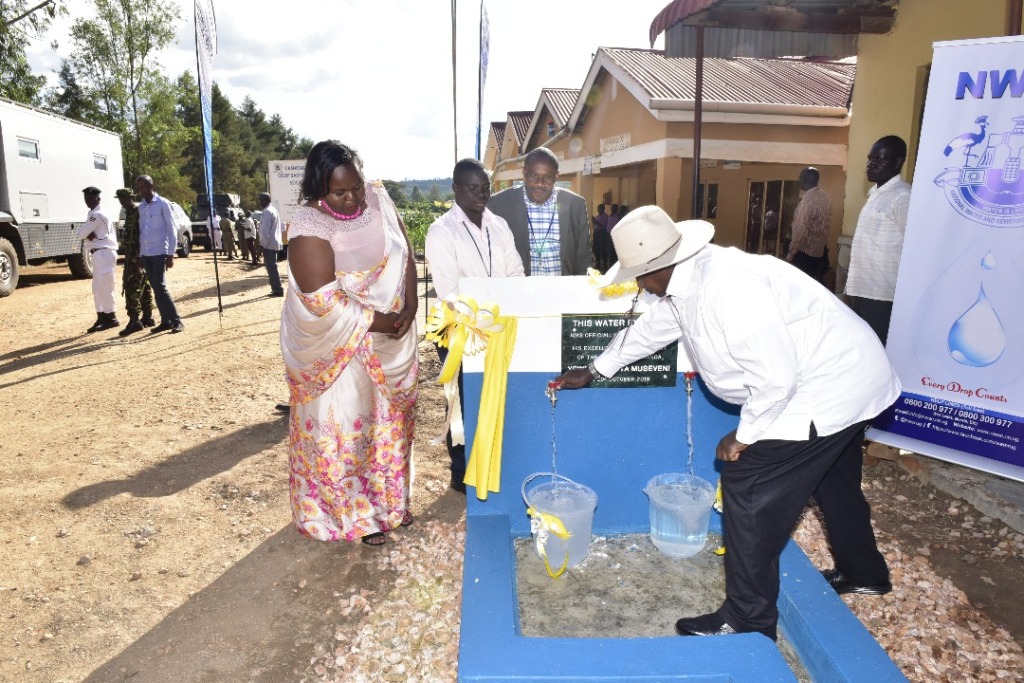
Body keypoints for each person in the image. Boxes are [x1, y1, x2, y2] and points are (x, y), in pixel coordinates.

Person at [555, 205, 899, 641]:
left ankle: (748, 619)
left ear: (658, 267)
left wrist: (744, 435)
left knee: (747, 482)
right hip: (849, 377)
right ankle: (864, 572)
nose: (639, 285)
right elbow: (651, 330)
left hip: (827, 385)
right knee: (832, 476)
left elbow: (776, 378)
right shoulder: (688, 280)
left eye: (639, 276)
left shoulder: (730, 288)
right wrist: (595, 369)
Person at [280, 140, 418, 546]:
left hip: (389, 339)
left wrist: (410, 305)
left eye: (356, 186)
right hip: (341, 350)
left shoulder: (377, 198)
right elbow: (322, 301)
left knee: (388, 428)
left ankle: (391, 504)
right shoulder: (309, 226)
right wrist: (383, 321)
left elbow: (404, 253)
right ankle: (359, 517)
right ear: (318, 188)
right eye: (339, 192)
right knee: (349, 433)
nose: (353, 198)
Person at [425, 158, 525, 493]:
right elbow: (449, 290)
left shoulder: (499, 225)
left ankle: (492, 464)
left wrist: (504, 308)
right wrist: (490, 312)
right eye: (473, 188)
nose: (481, 194)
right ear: (455, 188)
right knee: (462, 401)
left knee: (494, 395)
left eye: (485, 188)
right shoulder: (442, 231)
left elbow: (516, 272)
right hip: (459, 329)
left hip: (499, 325)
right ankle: (461, 471)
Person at [845, 135, 911, 345]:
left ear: (898, 162)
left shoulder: (902, 196)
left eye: (879, 160)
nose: (870, 164)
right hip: (861, 290)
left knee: (878, 353)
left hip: (882, 295)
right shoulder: (876, 195)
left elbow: (913, 248)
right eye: (870, 158)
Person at [487, 147, 590, 276]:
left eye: (547, 177)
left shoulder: (575, 204)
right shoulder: (498, 205)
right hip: (519, 288)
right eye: (533, 176)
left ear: (556, 176)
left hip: (562, 288)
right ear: (524, 173)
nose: (540, 184)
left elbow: (583, 259)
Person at [136, 174, 184, 334]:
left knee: (160, 286)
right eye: (140, 187)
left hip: (159, 252)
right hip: (146, 253)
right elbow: (142, 232)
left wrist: (170, 254)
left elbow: (172, 229)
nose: (142, 190)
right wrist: (140, 255)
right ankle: (165, 321)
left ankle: (176, 321)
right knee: (155, 287)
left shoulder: (163, 204)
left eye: (144, 186)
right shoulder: (141, 207)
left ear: (151, 186)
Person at [78, 187, 119, 333]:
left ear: (98, 198)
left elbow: (81, 233)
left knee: (105, 287)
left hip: (104, 253)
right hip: (98, 253)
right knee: (97, 288)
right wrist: (87, 234)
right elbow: (84, 234)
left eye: (90, 199)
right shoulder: (92, 214)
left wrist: (87, 234)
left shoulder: (98, 214)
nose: (88, 201)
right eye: (86, 199)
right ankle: (102, 317)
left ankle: (111, 317)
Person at [115, 188, 155, 336]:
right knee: (144, 285)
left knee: (132, 287)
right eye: (121, 200)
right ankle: (147, 317)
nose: (123, 202)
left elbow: (145, 236)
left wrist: (139, 259)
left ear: (131, 198)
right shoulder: (130, 212)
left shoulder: (139, 212)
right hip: (133, 255)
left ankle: (134, 321)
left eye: (126, 199)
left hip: (137, 256)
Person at [786, 167, 832, 283]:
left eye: (800, 178)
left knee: (799, 286)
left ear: (806, 179)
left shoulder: (807, 201)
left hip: (804, 256)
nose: (799, 180)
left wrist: (790, 255)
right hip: (819, 255)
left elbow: (800, 232)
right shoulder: (825, 197)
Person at [258, 193, 284, 297]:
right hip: (273, 243)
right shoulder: (273, 210)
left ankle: (277, 290)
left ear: (266, 200)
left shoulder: (267, 212)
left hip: (268, 244)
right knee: (272, 267)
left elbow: (265, 231)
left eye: (261, 200)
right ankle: (276, 289)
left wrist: (261, 245)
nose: (260, 202)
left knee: (271, 268)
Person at [592, 203, 611, 272]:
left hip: (602, 234)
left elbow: (603, 225)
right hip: (596, 233)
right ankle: (598, 264)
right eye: (598, 208)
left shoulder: (605, 216)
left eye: (599, 208)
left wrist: (596, 221)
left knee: (603, 249)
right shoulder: (597, 216)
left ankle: (605, 265)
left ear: (603, 209)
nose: (598, 209)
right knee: (596, 249)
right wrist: (594, 222)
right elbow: (595, 225)